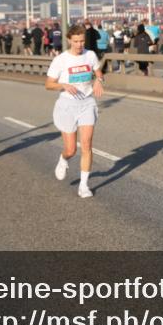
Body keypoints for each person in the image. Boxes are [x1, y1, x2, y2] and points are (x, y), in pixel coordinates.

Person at [45, 24, 105, 198]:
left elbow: (99, 73)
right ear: (69, 40)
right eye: (76, 41)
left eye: (82, 41)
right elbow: (48, 84)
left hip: (87, 103)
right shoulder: (61, 60)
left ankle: (83, 186)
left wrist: (99, 80)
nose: (79, 45)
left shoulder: (90, 55)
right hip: (67, 105)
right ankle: (63, 159)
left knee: (87, 145)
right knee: (71, 149)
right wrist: (63, 85)